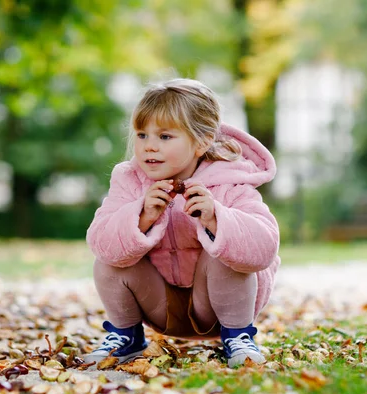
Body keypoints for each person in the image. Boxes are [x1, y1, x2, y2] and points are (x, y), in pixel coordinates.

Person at [85, 78, 280, 368]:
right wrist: (141, 218)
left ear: (201, 142)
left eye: (164, 137)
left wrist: (217, 219)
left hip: (217, 308)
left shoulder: (230, 182)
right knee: (110, 259)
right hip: (159, 306)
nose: (149, 147)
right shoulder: (129, 180)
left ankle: (239, 337)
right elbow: (100, 242)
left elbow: (263, 250)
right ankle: (127, 335)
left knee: (226, 250)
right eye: (141, 135)